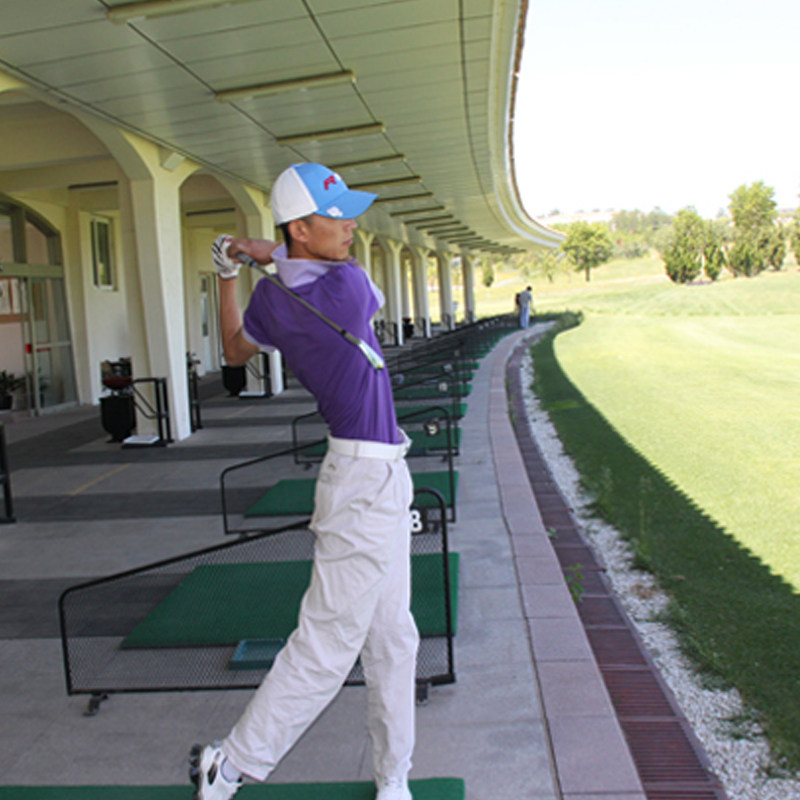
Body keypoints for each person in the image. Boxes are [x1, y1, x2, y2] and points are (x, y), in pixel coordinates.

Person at [190, 163, 419, 800]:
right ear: (299, 228)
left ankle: (393, 776)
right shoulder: (346, 288)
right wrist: (260, 252)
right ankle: (229, 765)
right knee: (327, 645)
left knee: (393, 636)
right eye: (335, 218)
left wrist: (229, 272)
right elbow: (321, 271)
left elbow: (234, 350)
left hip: (378, 474)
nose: (350, 228)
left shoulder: (272, 300)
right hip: (362, 483)